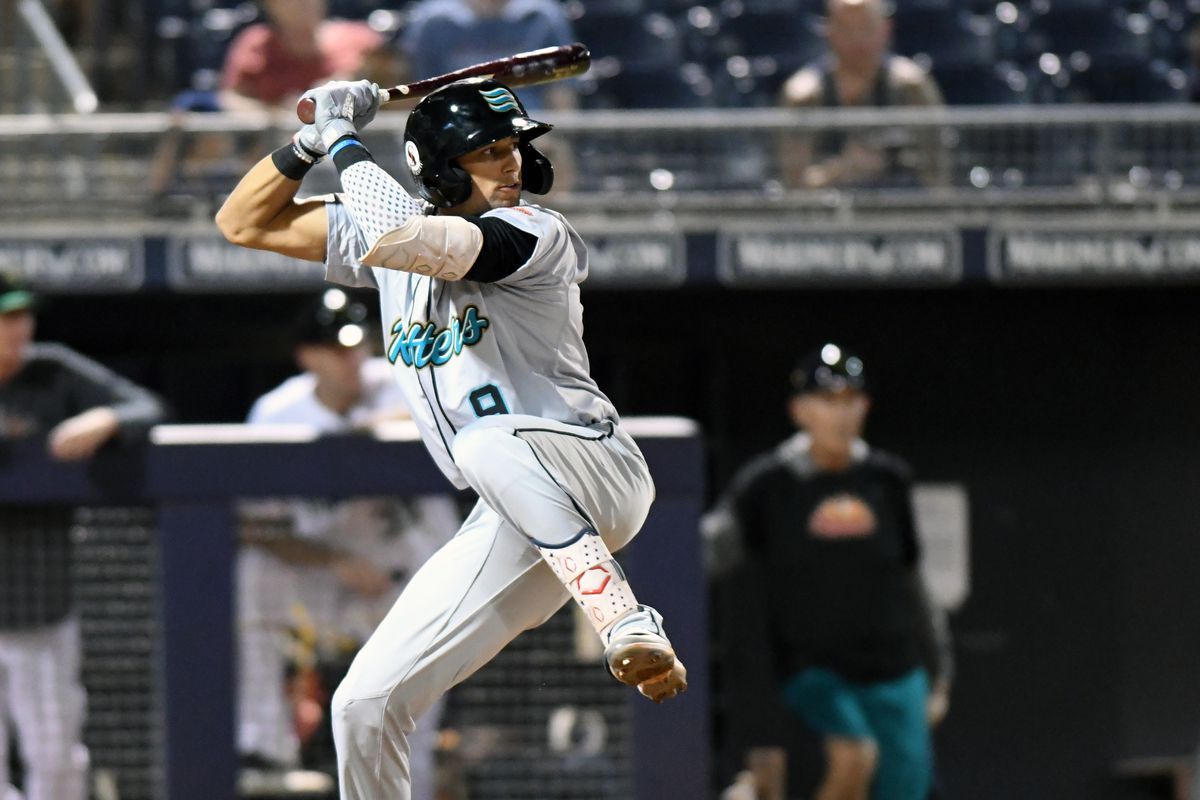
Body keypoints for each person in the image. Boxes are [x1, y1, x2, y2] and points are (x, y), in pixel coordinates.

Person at [214, 76, 687, 798]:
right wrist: (307, 140)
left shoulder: (536, 232)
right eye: (489, 152)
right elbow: (243, 223)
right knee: (364, 705)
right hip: (511, 508)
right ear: (438, 168)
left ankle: (623, 617)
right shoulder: (387, 236)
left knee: (482, 440)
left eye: (514, 148)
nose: (513, 165)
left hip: (588, 464)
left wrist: (343, 136)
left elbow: (405, 236)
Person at [236, 289, 459, 800]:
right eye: (337, 350)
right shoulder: (277, 414)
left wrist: (374, 428)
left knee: (410, 727)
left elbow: (465, 402)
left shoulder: (402, 381)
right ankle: (264, 742)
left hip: (408, 585)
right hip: (327, 580)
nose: (352, 359)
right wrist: (334, 561)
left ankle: (412, 784)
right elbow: (252, 526)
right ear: (307, 357)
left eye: (357, 347)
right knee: (252, 573)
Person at [703, 344, 951, 800]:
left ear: (866, 407)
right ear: (799, 411)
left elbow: (914, 580)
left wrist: (939, 672)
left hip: (896, 671)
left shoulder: (887, 480)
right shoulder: (767, 486)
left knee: (906, 788)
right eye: (827, 401)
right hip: (813, 674)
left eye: (850, 400)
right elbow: (699, 555)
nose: (841, 414)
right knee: (854, 755)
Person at [0, 275, 166, 800]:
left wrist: (104, 417)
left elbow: (145, 407)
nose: (17, 328)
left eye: (21, 315)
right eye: (4, 317)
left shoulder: (52, 370)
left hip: (40, 602)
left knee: (55, 757)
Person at [777, 0, 949, 189]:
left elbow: (937, 177)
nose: (857, 39)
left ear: (885, 29)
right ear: (828, 31)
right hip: (825, 212)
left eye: (865, 28)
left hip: (899, 209)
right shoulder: (804, 95)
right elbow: (793, 187)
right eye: (846, 29)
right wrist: (842, 169)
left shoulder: (911, 88)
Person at [401, 0, 577, 113]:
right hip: (458, 125)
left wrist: (561, 141)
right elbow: (419, 92)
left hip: (531, 127)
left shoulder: (542, 16)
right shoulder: (433, 21)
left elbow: (560, 93)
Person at [219, 0, 391, 113]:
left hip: (356, 142)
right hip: (280, 148)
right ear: (271, 6)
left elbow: (397, 95)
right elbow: (231, 98)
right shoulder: (255, 43)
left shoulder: (361, 39)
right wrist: (278, 116)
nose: (304, 4)